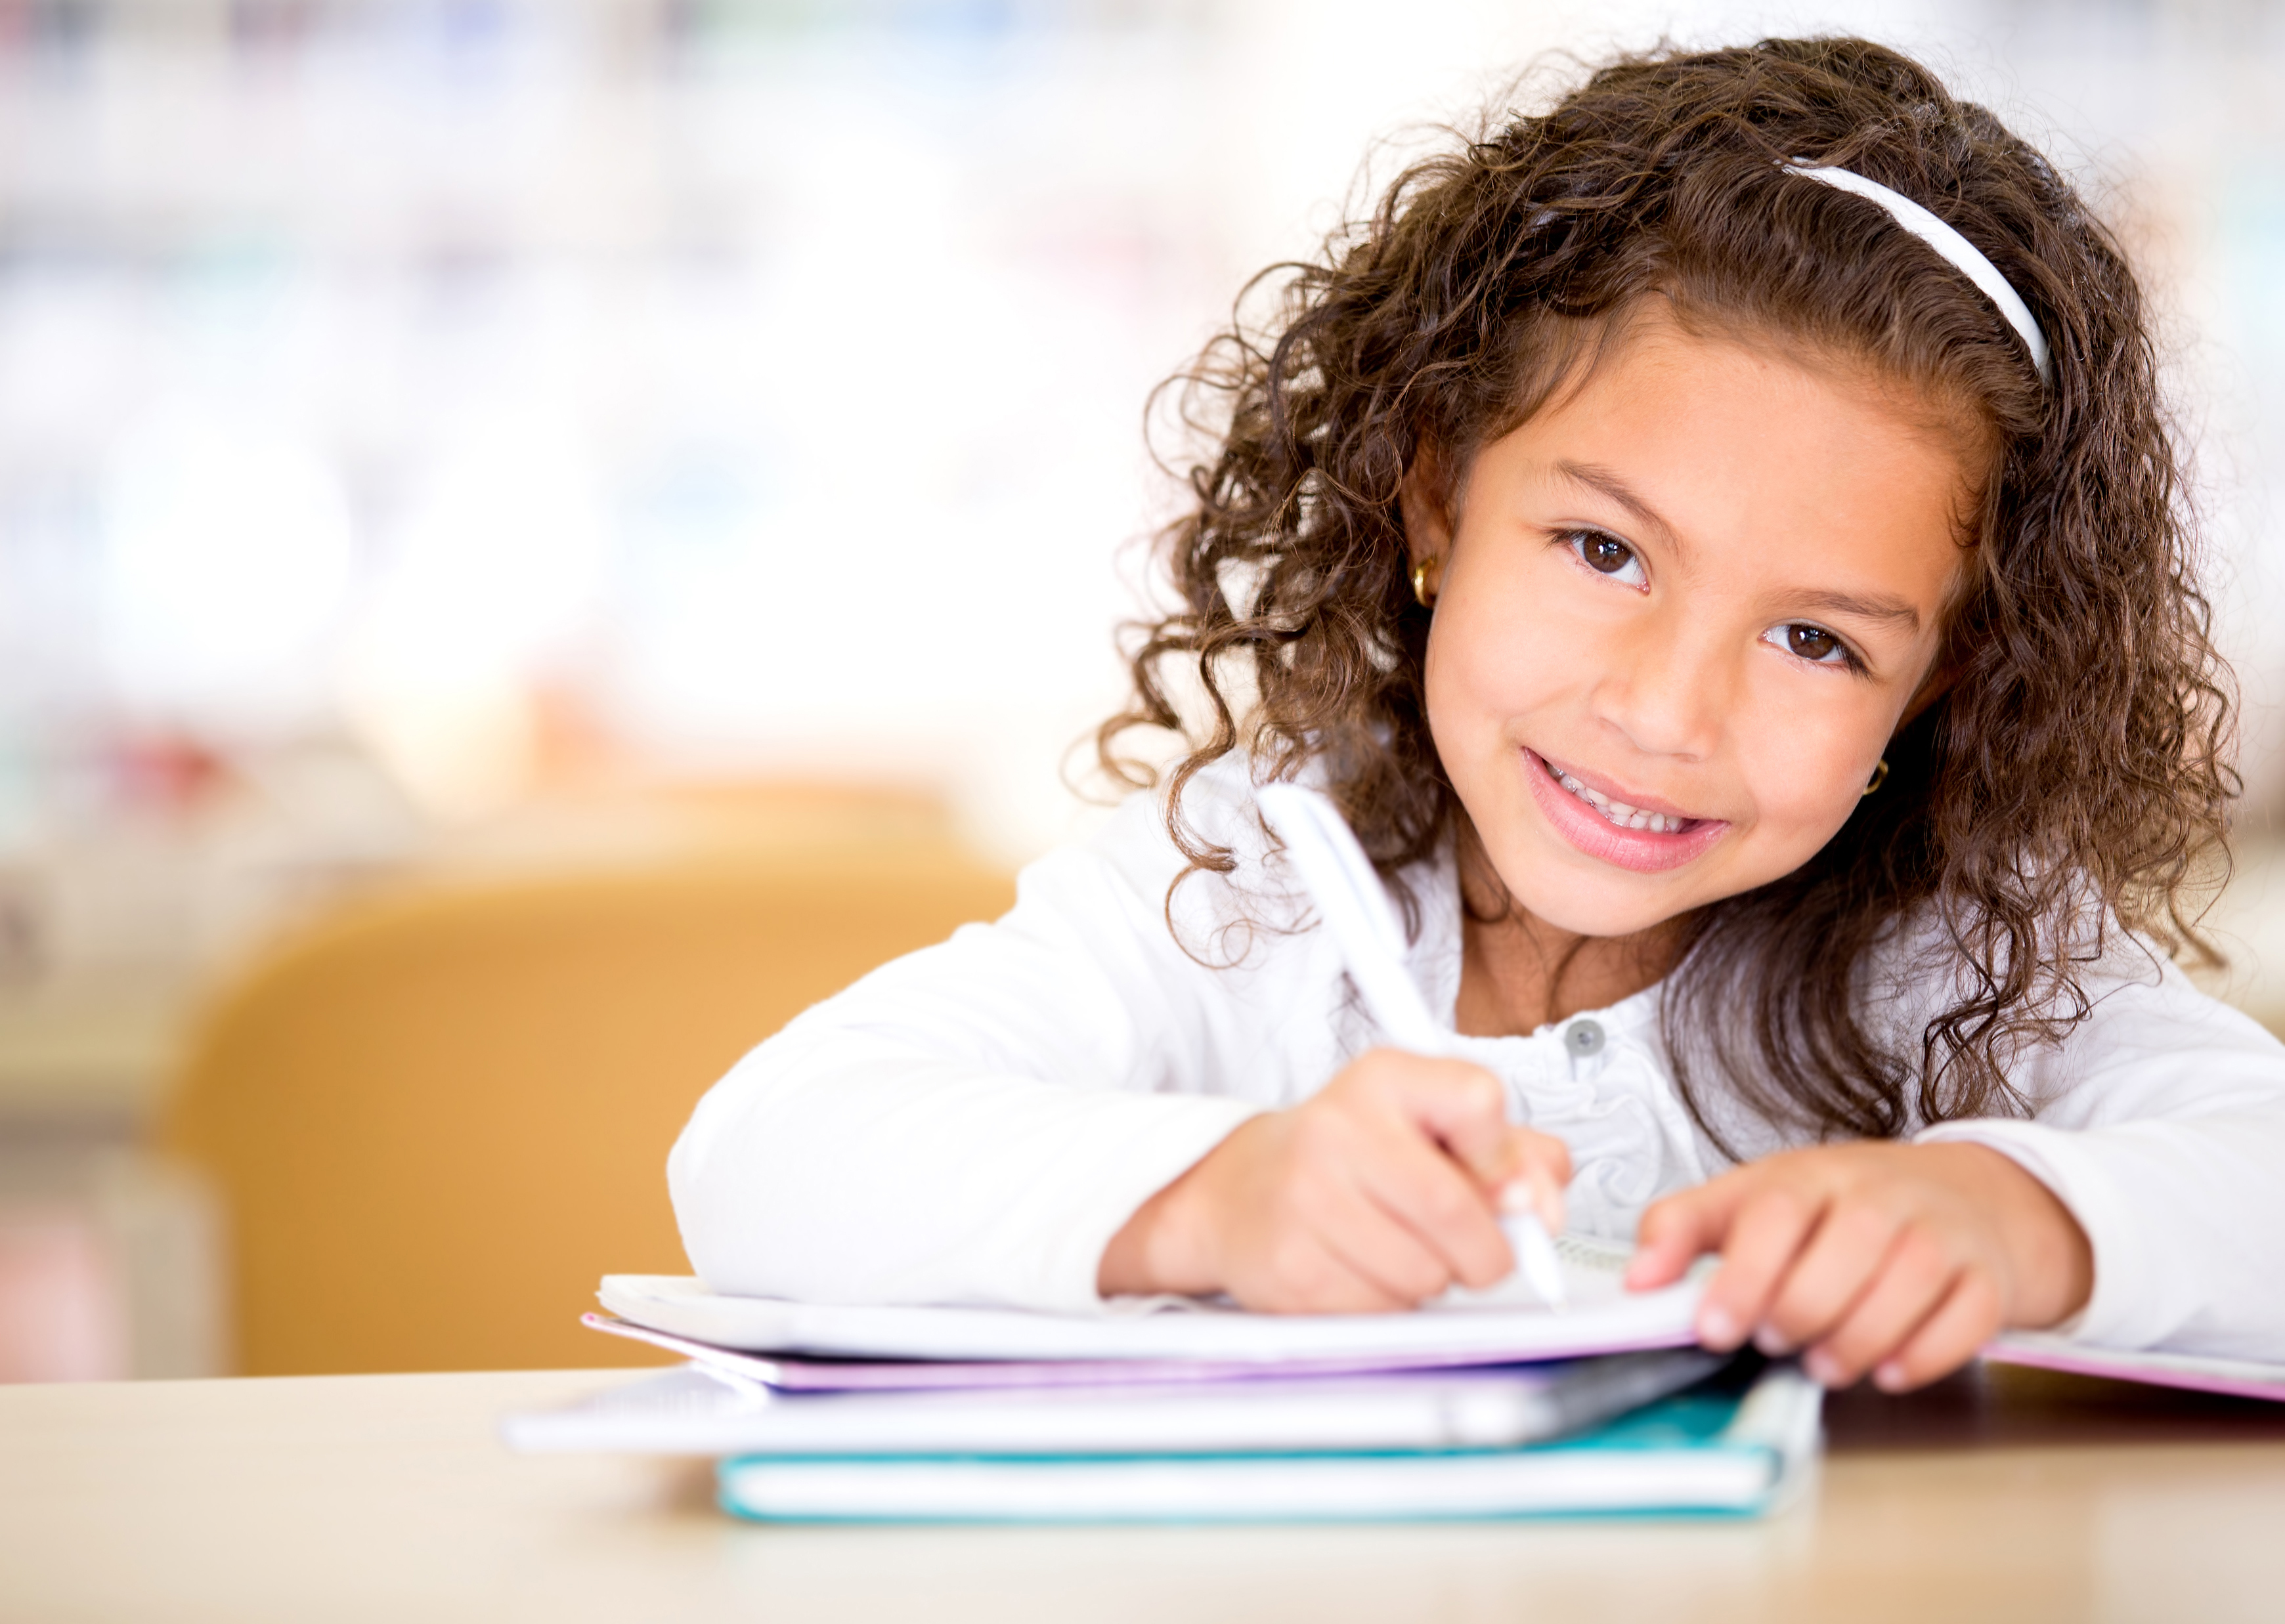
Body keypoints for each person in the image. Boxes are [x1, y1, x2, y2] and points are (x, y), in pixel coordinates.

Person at [668, 38, 2285, 1390]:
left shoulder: (1957, 968)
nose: (1663, 708)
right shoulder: (1250, 893)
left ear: (1940, 685)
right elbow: (764, 1160)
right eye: (1604, 550)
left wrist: (2025, 1221)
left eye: (1813, 638)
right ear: (1432, 494)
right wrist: (1216, 1200)